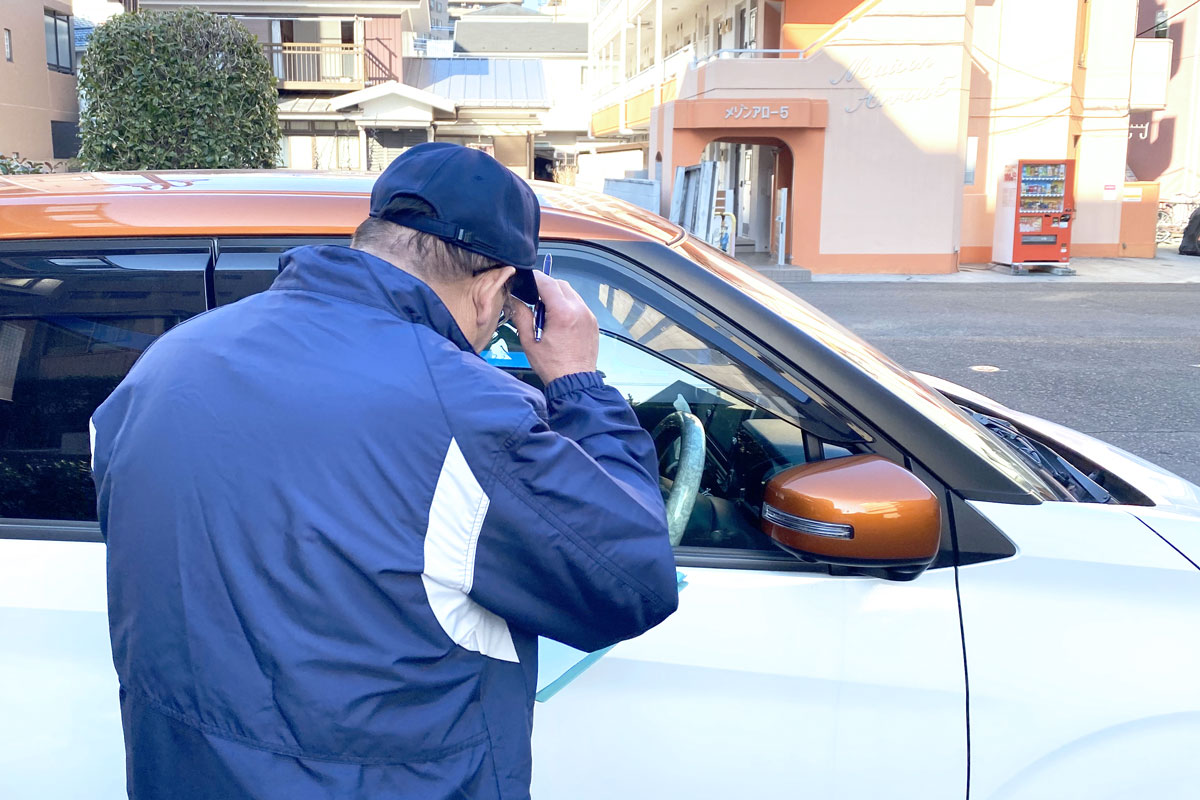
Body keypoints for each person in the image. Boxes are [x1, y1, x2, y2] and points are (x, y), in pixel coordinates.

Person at [90, 142, 679, 799]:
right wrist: (579, 385)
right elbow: (632, 581)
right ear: (491, 291)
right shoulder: (468, 410)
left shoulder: (168, 363)